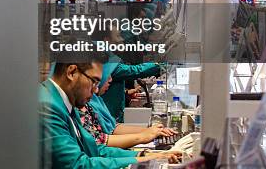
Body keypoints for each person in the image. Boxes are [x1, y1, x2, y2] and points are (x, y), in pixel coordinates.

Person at [40, 58, 181, 168]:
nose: (96, 90)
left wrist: (144, 156)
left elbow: (95, 150)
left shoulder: (65, 102)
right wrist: (142, 158)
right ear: (71, 72)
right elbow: (78, 165)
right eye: (94, 82)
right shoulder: (48, 107)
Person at [81, 62, 176, 149]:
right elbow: (100, 144)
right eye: (96, 79)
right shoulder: (83, 105)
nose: (110, 79)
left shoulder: (95, 100)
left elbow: (113, 128)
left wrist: (150, 131)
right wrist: (142, 141)